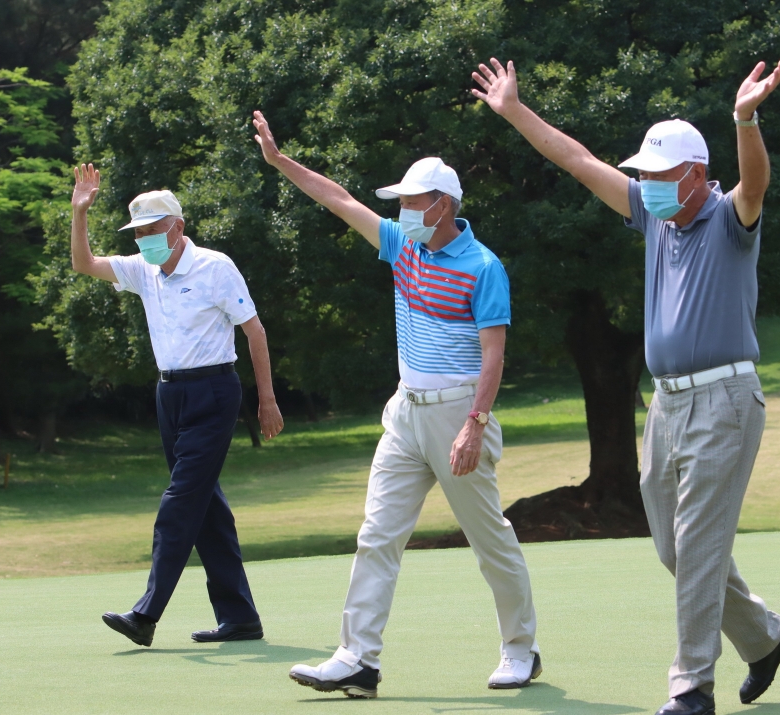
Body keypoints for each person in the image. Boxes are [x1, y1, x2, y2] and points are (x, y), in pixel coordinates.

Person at [471, 58, 780, 715]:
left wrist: (745, 119)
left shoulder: (730, 219)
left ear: (697, 177)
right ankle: (765, 637)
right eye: (642, 174)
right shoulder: (653, 217)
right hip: (668, 405)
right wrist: (512, 109)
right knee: (675, 546)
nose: (644, 184)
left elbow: (756, 182)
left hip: (725, 400)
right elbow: (576, 158)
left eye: (657, 175)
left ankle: (691, 685)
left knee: (700, 541)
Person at [252, 111, 540, 698]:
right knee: (377, 535)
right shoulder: (401, 246)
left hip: (459, 413)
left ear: (443, 203)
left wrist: (474, 426)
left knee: (490, 541)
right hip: (405, 414)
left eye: (413, 200)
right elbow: (340, 200)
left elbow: (494, 358)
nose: (403, 209)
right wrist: (281, 162)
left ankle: (520, 649)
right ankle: (358, 659)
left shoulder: (484, 267)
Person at [69, 164, 284, 648]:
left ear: (178, 226)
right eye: (138, 232)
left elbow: (254, 332)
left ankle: (146, 614)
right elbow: (85, 264)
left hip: (214, 393)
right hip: (170, 395)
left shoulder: (215, 266)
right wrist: (79, 212)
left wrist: (266, 400)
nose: (145, 239)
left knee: (179, 502)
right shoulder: (144, 270)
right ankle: (240, 617)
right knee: (206, 508)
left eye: (152, 229)